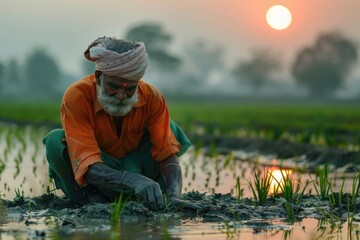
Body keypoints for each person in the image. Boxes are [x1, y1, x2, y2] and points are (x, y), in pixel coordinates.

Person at [43, 36, 197, 210]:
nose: (121, 95)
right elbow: (86, 162)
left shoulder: (153, 98)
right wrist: (131, 181)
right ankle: (88, 200)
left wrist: (174, 196)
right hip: (96, 179)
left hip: (139, 171)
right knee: (55, 142)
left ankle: (152, 197)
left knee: (171, 128)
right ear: (99, 76)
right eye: (114, 86)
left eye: (130, 88)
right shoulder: (77, 96)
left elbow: (166, 154)